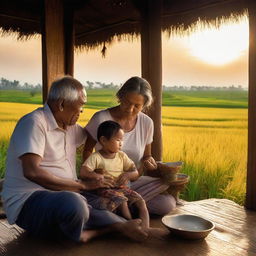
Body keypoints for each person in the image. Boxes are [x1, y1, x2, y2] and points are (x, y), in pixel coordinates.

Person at [1, 76, 148, 243]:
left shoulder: (71, 128)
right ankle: (91, 232)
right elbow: (32, 172)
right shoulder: (34, 123)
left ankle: (110, 227)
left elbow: (100, 137)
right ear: (62, 104)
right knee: (75, 204)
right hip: (29, 201)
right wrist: (83, 185)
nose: (82, 111)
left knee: (118, 215)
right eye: (81, 106)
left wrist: (106, 163)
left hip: (67, 194)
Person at [83, 76, 176, 216]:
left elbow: (146, 156)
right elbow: (88, 150)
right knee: (155, 202)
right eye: (127, 102)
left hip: (131, 182)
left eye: (137, 106)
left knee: (167, 203)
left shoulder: (147, 123)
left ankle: (117, 205)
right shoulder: (101, 118)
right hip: (105, 183)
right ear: (120, 96)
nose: (130, 109)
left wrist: (148, 162)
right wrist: (95, 176)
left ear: (144, 105)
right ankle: (123, 205)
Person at [81, 120, 149, 227]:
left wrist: (128, 175)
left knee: (140, 201)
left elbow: (135, 172)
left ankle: (146, 228)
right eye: (118, 140)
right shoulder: (96, 157)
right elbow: (84, 172)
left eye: (122, 140)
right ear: (103, 140)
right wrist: (98, 176)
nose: (121, 143)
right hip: (106, 189)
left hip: (122, 188)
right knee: (122, 201)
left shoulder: (122, 156)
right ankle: (130, 224)